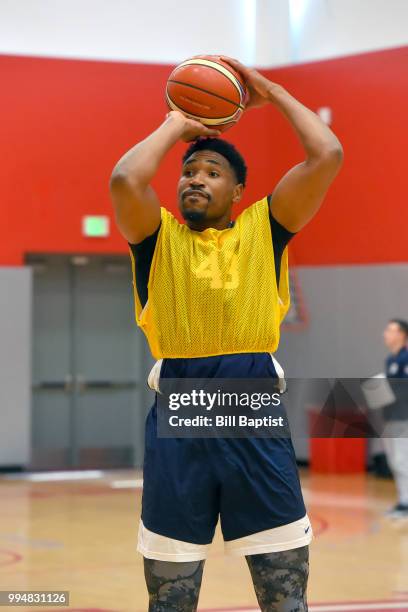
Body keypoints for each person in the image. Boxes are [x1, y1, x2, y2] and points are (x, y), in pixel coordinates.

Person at [110, 55, 343, 612]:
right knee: (171, 600)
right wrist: (177, 121)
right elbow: (125, 178)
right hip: (181, 416)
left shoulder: (265, 229)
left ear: (239, 192)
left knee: (285, 595)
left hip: (253, 414)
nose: (195, 178)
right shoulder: (156, 238)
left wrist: (271, 90)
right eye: (190, 172)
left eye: (212, 172)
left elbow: (327, 154)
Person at [382, 318, 408, 519]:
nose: (386, 334)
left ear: (402, 334)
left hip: (404, 418)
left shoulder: (405, 358)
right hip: (391, 418)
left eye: (391, 330)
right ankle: (402, 501)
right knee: (395, 461)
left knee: (402, 460)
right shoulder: (391, 360)